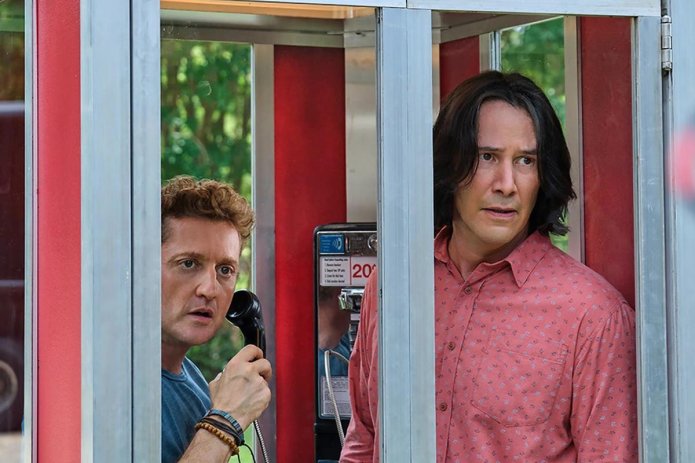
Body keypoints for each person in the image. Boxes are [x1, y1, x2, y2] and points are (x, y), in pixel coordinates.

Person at [340, 71, 637, 462]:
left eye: (526, 161)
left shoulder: (594, 317)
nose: (507, 184)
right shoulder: (393, 285)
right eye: (487, 157)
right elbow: (365, 439)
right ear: (448, 164)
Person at [160, 175, 272, 463]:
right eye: (188, 263)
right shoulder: (122, 386)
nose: (209, 290)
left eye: (225, 270)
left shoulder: (191, 378)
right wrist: (225, 419)